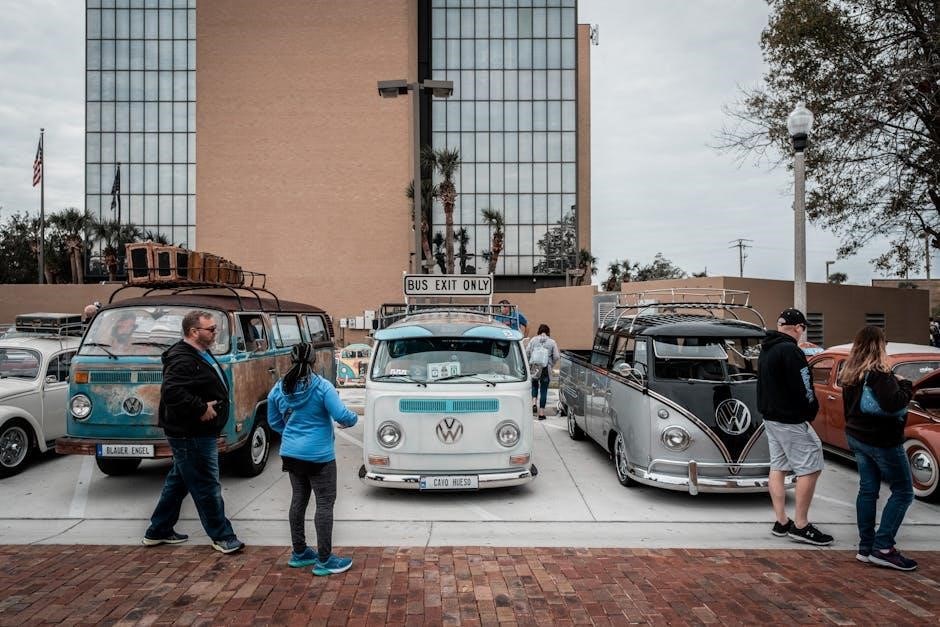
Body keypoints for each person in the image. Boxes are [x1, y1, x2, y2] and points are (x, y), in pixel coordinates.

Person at [144, 310, 245, 554]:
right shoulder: (182, 358)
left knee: (179, 482)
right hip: (192, 434)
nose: (215, 332)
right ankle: (223, 536)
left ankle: (158, 530)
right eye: (210, 329)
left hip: (197, 432)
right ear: (193, 332)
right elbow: (172, 392)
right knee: (206, 485)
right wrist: (200, 408)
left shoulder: (198, 352)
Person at [267, 342, 358, 576]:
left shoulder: (279, 388)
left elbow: (274, 421)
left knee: (298, 500)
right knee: (325, 503)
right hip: (319, 457)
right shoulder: (322, 387)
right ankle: (325, 560)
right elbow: (342, 416)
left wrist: (292, 435)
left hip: (291, 454)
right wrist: (353, 419)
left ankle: (299, 553)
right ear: (314, 360)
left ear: (290, 359)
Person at [838, 326, 916, 571]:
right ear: (879, 345)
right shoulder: (880, 374)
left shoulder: (850, 372)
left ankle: (866, 547)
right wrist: (906, 385)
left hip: (857, 437)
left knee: (868, 490)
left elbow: (848, 408)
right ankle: (883, 548)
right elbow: (893, 404)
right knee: (904, 491)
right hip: (882, 441)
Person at [756, 308, 832, 546]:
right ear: (799, 328)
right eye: (803, 328)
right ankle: (801, 525)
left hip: (771, 418)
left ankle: (782, 521)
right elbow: (805, 385)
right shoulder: (791, 350)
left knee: (778, 467)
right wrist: (810, 410)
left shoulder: (767, 349)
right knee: (810, 468)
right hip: (790, 420)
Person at [527, 324, 560, 420]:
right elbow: (556, 356)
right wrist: (551, 364)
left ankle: (534, 403)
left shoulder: (533, 340)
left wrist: (529, 363)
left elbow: (527, 352)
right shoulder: (552, 342)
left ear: (539, 331)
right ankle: (541, 414)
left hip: (535, 367)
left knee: (534, 385)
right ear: (548, 332)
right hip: (546, 368)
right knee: (543, 390)